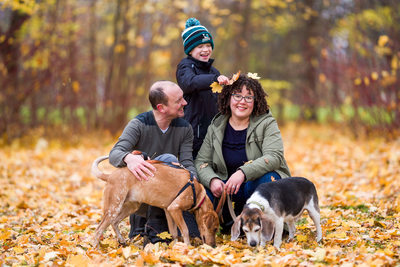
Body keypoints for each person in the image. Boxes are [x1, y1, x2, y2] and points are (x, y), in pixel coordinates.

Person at [194, 74, 291, 233]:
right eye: (237, 95)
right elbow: (201, 162)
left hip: (253, 187)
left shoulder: (266, 122)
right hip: (228, 190)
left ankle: (269, 227)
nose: (242, 101)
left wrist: (243, 173)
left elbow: (274, 157)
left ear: (256, 101)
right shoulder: (216, 126)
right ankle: (224, 224)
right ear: (228, 98)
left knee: (268, 180)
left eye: (248, 97)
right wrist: (212, 180)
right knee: (201, 192)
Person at [109, 80, 199, 244]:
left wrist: (194, 186)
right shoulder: (139, 124)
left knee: (173, 165)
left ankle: (156, 228)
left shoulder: (185, 128)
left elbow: (187, 163)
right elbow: (114, 154)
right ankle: (147, 226)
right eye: (178, 101)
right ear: (161, 108)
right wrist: (129, 158)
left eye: (183, 98)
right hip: (141, 199)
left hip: (167, 201)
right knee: (168, 160)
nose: (185, 103)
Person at [176, 17, 229, 159]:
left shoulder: (214, 71)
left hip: (214, 129)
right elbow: (189, 82)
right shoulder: (185, 66)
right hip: (193, 130)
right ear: (190, 50)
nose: (206, 50)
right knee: (194, 164)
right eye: (200, 47)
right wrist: (214, 79)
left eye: (208, 45)